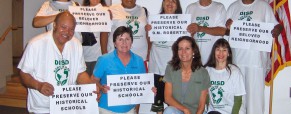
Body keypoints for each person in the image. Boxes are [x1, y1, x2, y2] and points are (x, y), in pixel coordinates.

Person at [18, 11, 98, 114]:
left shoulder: (76, 44)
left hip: (67, 105)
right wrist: (38, 85)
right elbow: (23, 73)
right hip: (42, 108)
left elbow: (80, 73)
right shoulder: (35, 44)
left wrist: (91, 87)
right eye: (63, 27)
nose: (67, 32)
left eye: (71, 29)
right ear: (54, 25)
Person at [225, 0, 283, 114]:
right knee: (239, 101)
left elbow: (277, 26)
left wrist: (277, 30)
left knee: (255, 102)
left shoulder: (263, 6)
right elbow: (226, 33)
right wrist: (228, 26)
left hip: (257, 62)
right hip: (237, 62)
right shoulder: (233, 7)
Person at [93, 26, 155, 114]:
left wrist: (149, 90)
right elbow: (93, 80)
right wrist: (101, 87)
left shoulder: (139, 60)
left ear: (131, 42)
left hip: (129, 109)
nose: (124, 43)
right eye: (120, 39)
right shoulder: (104, 59)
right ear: (114, 43)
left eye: (127, 39)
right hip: (106, 108)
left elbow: (142, 86)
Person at [145, 0, 182, 113]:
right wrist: (148, 32)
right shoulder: (154, 21)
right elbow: (149, 44)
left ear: (177, 5)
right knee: (158, 100)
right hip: (156, 65)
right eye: (167, 0)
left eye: (173, 1)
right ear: (163, 3)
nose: (170, 3)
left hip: (175, 68)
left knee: (176, 100)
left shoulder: (183, 21)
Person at [163, 36, 211, 114]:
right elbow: (167, 98)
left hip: (197, 112)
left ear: (193, 51)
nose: (183, 52)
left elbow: (201, 106)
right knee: (168, 111)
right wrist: (185, 109)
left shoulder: (203, 73)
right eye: (180, 49)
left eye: (187, 48)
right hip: (178, 110)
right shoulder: (170, 68)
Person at [204, 38, 246, 114]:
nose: (221, 53)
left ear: (228, 53)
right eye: (218, 50)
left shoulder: (235, 72)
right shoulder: (207, 70)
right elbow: (206, 94)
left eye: (224, 50)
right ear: (214, 52)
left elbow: (238, 100)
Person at [186, 0, 227, 65]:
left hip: (214, 59)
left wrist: (200, 28)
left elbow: (222, 31)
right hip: (196, 59)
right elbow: (187, 34)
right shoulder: (190, 8)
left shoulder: (219, 7)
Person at [76, 0, 109, 76]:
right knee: (85, 86)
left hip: (98, 56)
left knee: (97, 84)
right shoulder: (79, 10)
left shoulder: (106, 11)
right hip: (82, 56)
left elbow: (106, 33)